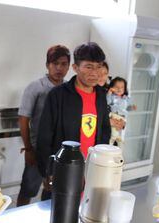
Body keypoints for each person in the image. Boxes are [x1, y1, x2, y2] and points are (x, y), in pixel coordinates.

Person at [36, 42, 111, 181]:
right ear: (75, 68)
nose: (95, 73)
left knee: (90, 202)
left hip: (93, 167)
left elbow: (105, 130)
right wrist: (48, 171)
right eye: (88, 67)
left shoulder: (101, 94)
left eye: (99, 67)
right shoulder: (58, 95)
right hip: (63, 168)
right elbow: (44, 136)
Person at [17, 45, 70, 206]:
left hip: (59, 150)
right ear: (47, 65)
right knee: (28, 189)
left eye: (63, 64)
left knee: (52, 189)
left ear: (69, 66)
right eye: (55, 64)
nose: (59, 68)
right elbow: (23, 118)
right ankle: (18, 222)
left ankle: (46, 222)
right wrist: (28, 149)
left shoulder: (69, 89)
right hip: (37, 149)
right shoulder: (36, 87)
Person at [107, 77, 136, 148]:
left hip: (122, 117)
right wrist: (109, 93)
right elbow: (108, 102)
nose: (119, 89)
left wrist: (132, 108)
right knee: (113, 130)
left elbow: (127, 108)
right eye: (116, 87)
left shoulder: (125, 98)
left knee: (117, 129)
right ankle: (113, 139)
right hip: (114, 115)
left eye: (122, 87)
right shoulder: (112, 96)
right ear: (112, 87)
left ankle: (117, 138)